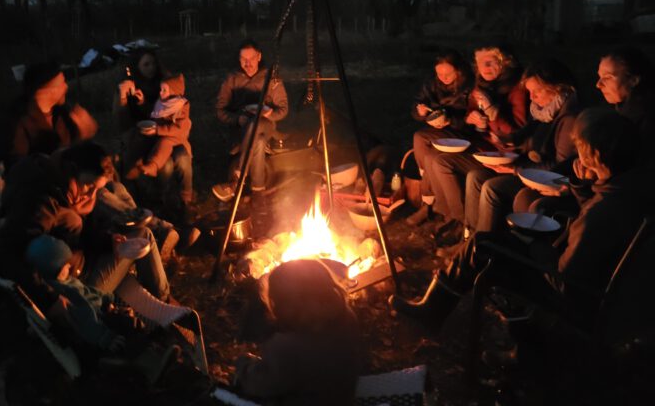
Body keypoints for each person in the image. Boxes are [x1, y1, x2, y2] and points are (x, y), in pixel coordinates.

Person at [391, 108, 651, 332]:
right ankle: (521, 343)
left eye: (580, 150)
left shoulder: (602, 213)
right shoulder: (630, 188)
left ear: (592, 156)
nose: (577, 157)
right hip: (609, 296)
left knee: (482, 245)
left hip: (575, 301)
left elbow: (563, 281)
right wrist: (582, 188)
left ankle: (433, 311)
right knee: (501, 240)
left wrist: (533, 243)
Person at [0, 141, 172, 311]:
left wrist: (107, 241)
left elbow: (77, 234)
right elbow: (4, 252)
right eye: (88, 185)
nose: (91, 195)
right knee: (144, 235)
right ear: (71, 170)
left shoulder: (55, 181)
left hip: (79, 264)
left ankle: (159, 301)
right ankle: (163, 304)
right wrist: (49, 298)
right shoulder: (42, 203)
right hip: (78, 286)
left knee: (130, 228)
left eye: (96, 188)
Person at [24, 235, 180, 384]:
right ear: (55, 270)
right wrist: (104, 337)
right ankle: (151, 365)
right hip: (100, 327)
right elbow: (84, 319)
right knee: (128, 331)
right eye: (66, 265)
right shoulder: (64, 292)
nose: (70, 266)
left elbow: (90, 291)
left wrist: (108, 300)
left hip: (103, 313)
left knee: (131, 325)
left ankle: (152, 351)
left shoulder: (67, 281)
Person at [425, 46, 529, 243]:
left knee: (472, 175)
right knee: (435, 158)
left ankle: (470, 237)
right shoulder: (480, 88)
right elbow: (470, 120)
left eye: (491, 62)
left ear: (504, 62)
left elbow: (515, 133)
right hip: (484, 149)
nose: (485, 67)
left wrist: (491, 112)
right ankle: (455, 219)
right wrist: (472, 120)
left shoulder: (518, 89)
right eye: (481, 63)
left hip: (507, 156)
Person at [466, 59, 580, 234]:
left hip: (543, 181)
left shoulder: (569, 119)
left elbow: (558, 170)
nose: (532, 98)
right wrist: (502, 140)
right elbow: (520, 136)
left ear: (558, 87)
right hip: (527, 167)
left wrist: (515, 169)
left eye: (537, 91)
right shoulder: (542, 110)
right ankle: (470, 236)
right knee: (475, 176)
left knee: (491, 188)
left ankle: (484, 245)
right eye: (530, 92)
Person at [233, 259, 360, 405]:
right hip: (342, 397)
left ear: (281, 303)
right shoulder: (347, 317)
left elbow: (262, 384)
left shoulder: (286, 347)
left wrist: (244, 366)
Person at [212, 39, 288, 201]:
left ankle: (236, 179)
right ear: (239, 60)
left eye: (251, 58)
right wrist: (237, 119)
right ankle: (259, 196)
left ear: (259, 56)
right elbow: (220, 110)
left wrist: (269, 114)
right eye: (243, 59)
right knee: (258, 142)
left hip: (266, 124)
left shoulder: (271, 78)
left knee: (256, 124)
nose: (248, 63)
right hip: (240, 128)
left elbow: (283, 109)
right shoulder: (231, 79)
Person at [116, 51, 193, 210]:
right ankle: (156, 198)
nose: (151, 68)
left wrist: (157, 129)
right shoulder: (129, 86)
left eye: (153, 63)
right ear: (136, 67)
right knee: (164, 164)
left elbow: (178, 125)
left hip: (168, 136)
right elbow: (127, 120)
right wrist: (126, 98)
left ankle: (184, 199)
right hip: (146, 136)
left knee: (181, 157)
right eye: (146, 64)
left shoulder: (168, 85)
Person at [405, 49, 473, 226]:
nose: (443, 77)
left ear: (459, 70)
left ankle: (441, 210)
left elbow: (471, 119)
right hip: (443, 131)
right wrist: (420, 112)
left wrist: (450, 119)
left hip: (463, 133)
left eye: (448, 73)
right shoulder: (433, 85)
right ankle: (428, 203)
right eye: (439, 73)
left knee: (430, 155)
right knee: (420, 137)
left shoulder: (469, 87)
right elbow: (418, 104)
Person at [0, 61, 98, 170]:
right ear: (46, 90)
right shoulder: (18, 123)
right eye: (62, 83)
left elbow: (75, 157)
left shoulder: (63, 114)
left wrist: (85, 136)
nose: (66, 87)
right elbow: (21, 170)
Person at [125, 73, 192, 189]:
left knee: (164, 143)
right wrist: (142, 102)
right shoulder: (162, 102)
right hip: (161, 134)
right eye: (161, 89)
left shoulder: (180, 107)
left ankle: (153, 167)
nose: (160, 93)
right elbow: (154, 113)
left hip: (175, 137)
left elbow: (180, 129)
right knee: (142, 140)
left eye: (164, 90)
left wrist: (157, 130)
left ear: (173, 92)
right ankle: (132, 168)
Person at [594, 46, 655, 167]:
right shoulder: (618, 114)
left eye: (607, 77)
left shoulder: (646, 122)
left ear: (633, 80)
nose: (598, 84)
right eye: (600, 77)